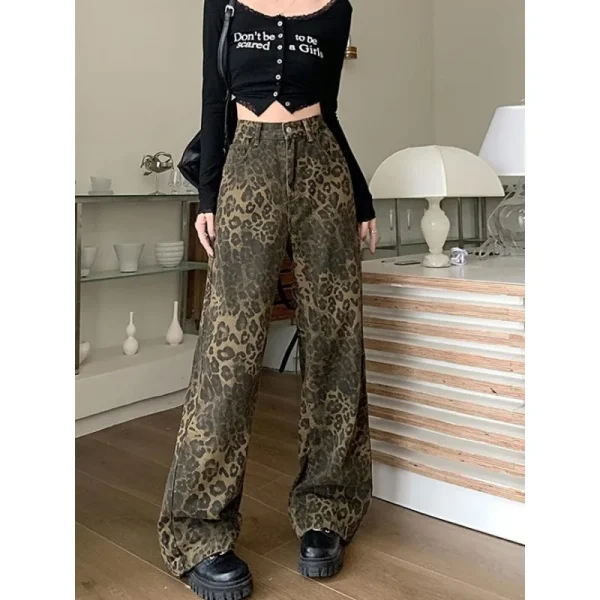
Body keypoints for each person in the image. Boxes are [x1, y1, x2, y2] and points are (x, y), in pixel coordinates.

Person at [157, 1, 377, 598]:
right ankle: (198, 528)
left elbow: (330, 110)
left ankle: (327, 508)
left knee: (335, 338)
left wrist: (360, 196)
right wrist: (207, 198)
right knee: (228, 348)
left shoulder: (336, 9)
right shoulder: (225, 3)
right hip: (248, 165)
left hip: (323, 172)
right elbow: (213, 98)